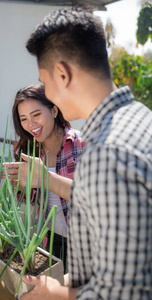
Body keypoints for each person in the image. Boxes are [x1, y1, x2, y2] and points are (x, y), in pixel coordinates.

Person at [19, 5, 152, 300]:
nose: (47, 91)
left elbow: (123, 294)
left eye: (45, 81)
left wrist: (56, 293)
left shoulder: (105, 152)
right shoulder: (140, 115)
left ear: (62, 74)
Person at [0, 84, 85, 272]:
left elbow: (92, 196)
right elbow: (34, 200)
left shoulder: (81, 143)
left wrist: (45, 177)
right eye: (23, 119)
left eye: (36, 115)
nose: (30, 124)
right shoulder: (31, 151)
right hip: (53, 241)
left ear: (54, 110)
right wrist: (20, 186)